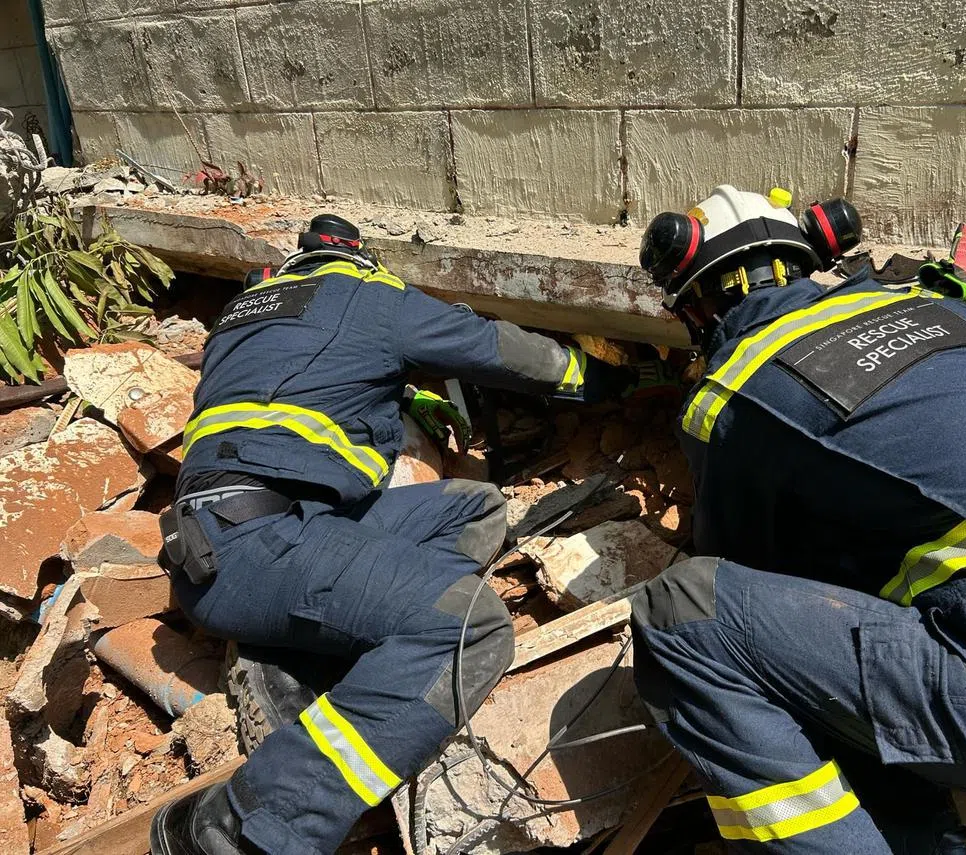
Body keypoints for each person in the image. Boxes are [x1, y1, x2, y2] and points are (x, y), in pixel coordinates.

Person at [630, 185, 966, 853]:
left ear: (695, 306)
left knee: (684, 614)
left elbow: (735, 566)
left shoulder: (727, 393)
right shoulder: (935, 308)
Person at [150, 214, 630, 855]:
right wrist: (608, 377)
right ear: (360, 259)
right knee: (469, 625)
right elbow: (500, 349)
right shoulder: (367, 294)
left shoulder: (244, 314)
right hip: (258, 547)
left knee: (474, 507)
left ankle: (349, 643)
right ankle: (248, 822)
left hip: (234, 535)